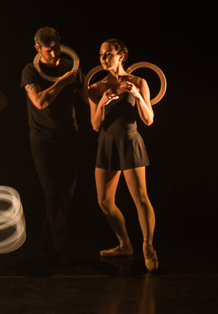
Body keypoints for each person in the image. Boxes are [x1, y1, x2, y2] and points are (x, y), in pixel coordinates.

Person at [87, 38, 157, 271]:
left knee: (140, 198)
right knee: (104, 202)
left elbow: (148, 119)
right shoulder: (96, 88)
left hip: (129, 141)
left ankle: (148, 246)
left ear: (121, 56)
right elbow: (95, 125)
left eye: (108, 53)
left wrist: (137, 95)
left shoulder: (139, 82)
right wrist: (102, 104)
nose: (103, 58)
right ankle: (125, 244)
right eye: (101, 54)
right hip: (107, 142)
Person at [21, 27, 85, 265]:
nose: (55, 53)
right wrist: (61, 82)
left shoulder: (72, 66)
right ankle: (64, 251)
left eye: (57, 47)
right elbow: (39, 101)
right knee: (52, 194)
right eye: (49, 50)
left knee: (65, 195)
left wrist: (115, 91)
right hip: (43, 140)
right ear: (38, 49)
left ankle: (46, 242)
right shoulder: (30, 71)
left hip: (70, 137)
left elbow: (88, 98)